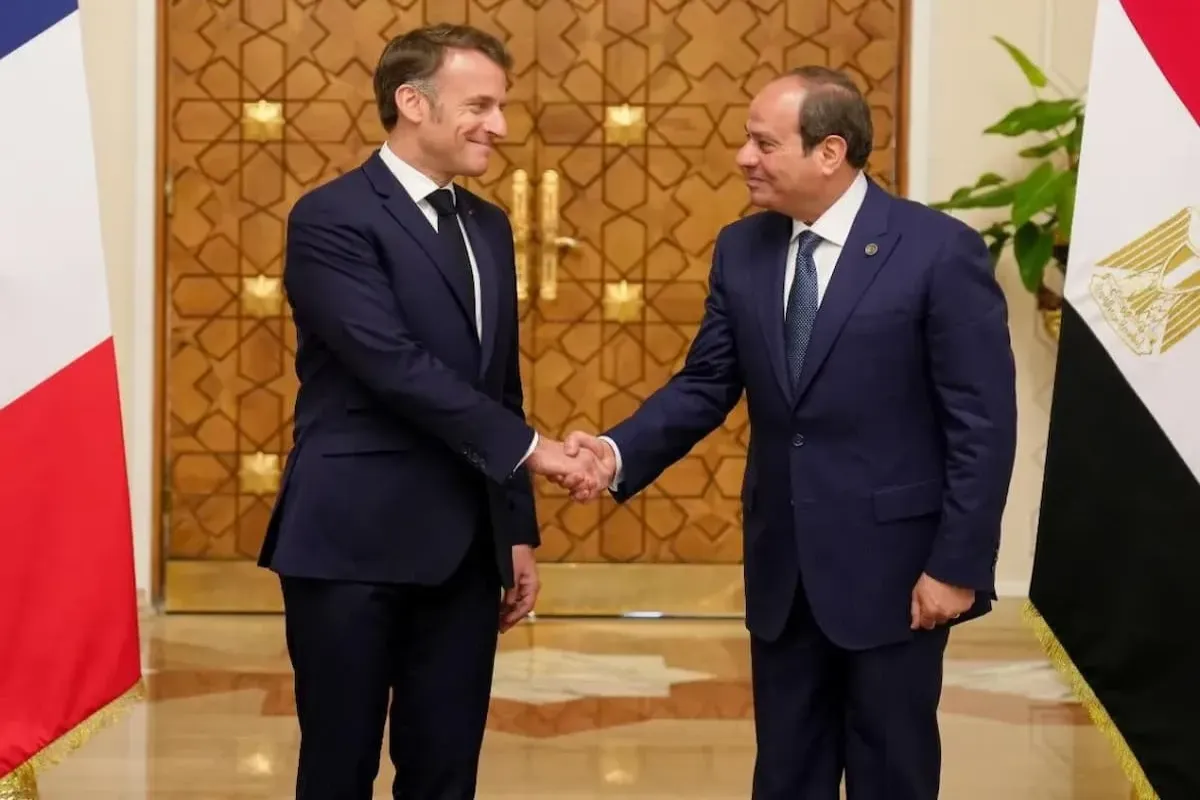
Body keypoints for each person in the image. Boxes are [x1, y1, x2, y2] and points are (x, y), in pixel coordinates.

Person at [561, 67, 1018, 799]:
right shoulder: (742, 248)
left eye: (764, 143)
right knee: (785, 775)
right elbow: (707, 383)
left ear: (830, 151)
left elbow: (982, 424)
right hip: (784, 569)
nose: (743, 157)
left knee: (892, 774)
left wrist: (957, 564)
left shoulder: (937, 250)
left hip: (896, 573)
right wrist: (614, 453)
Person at [257, 24, 604, 800]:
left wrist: (515, 530)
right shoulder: (332, 217)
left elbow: (499, 385)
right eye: (479, 105)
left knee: (446, 771)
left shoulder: (489, 225)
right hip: (350, 541)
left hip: (464, 547)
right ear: (413, 103)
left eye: (501, 106)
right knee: (339, 767)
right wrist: (538, 450)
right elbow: (391, 365)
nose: (499, 126)